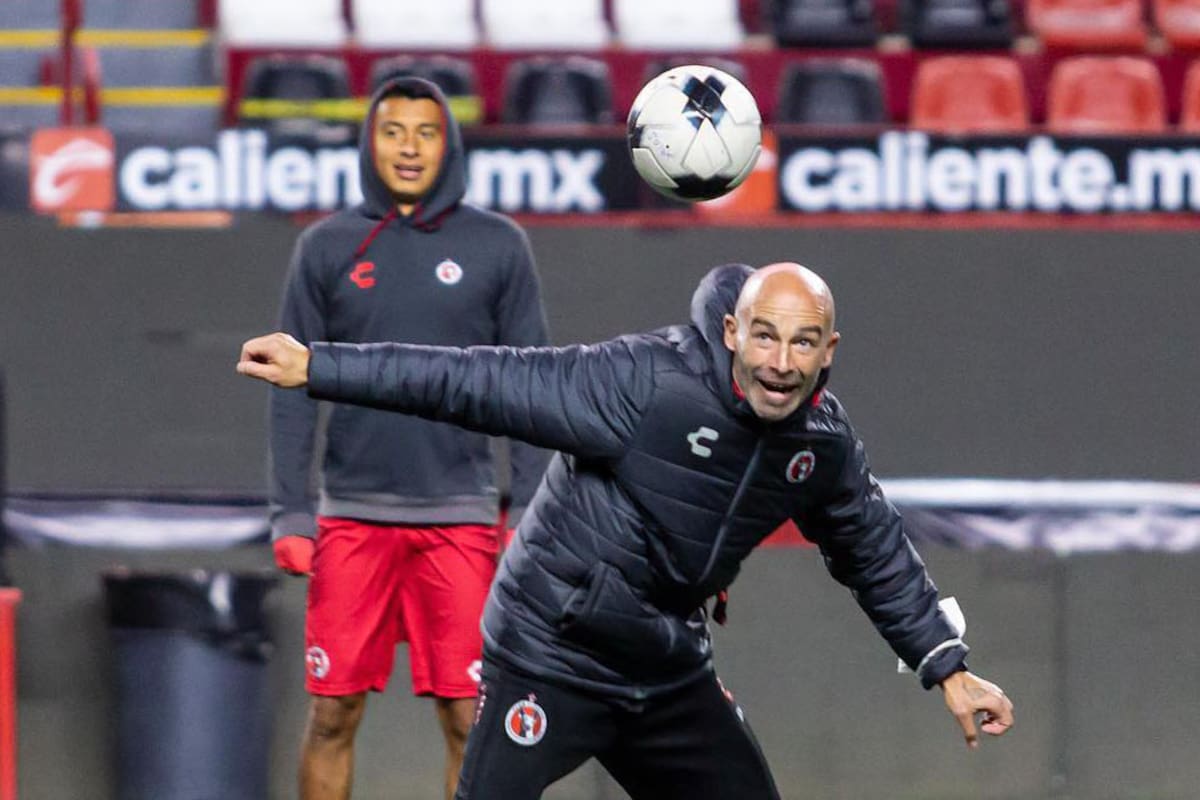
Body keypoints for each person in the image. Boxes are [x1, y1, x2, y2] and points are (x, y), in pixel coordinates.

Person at [240, 262, 1014, 800]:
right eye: (766, 336)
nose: (781, 362)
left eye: (803, 342)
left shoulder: (822, 446)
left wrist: (947, 669)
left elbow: (874, 548)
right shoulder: (642, 383)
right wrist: (320, 367)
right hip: (552, 650)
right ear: (732, 330)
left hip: (664, 663)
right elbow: (474, 382)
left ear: (828, 352)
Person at [267, 76, 550, 800]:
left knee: (469, 719)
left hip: (458, 519)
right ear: (371, 141)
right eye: (393, 131)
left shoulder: (499, 246)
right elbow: (292, 389)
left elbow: (532, 390)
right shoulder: (326, 246)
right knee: (333, 715)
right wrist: (292, 512)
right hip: (351, 521)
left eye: (426, 133)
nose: (409, 148)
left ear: (447, 145)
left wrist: (528, 514)